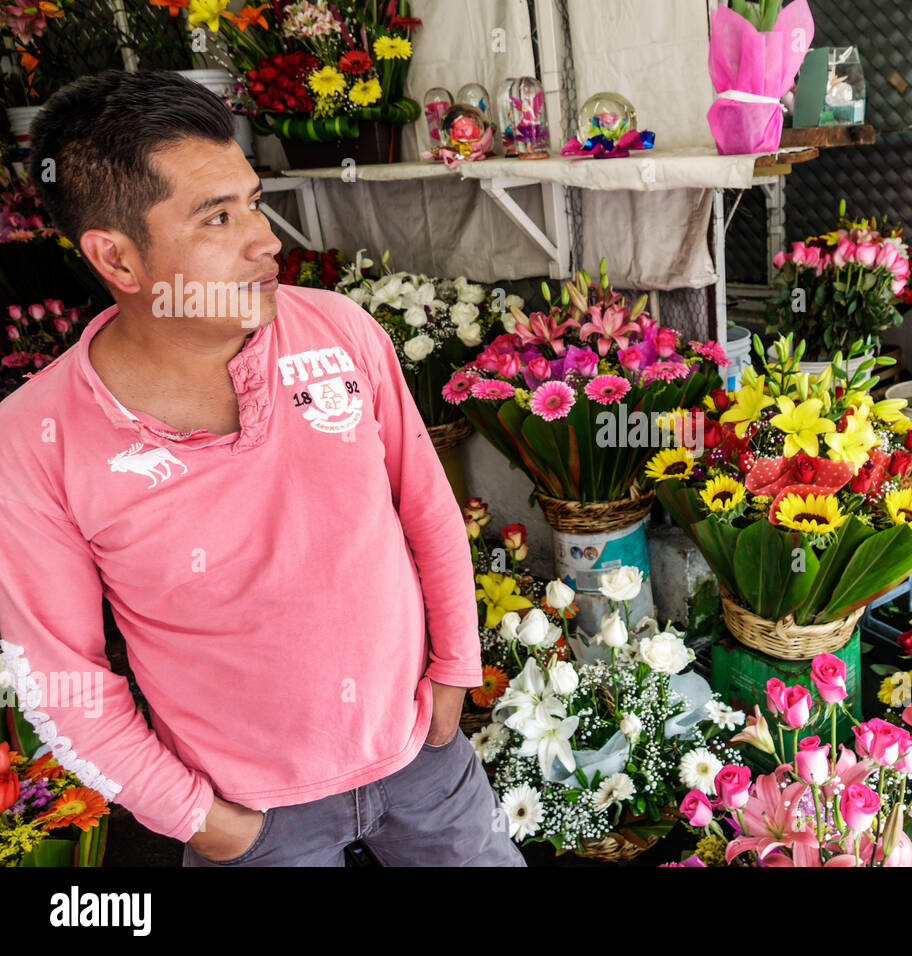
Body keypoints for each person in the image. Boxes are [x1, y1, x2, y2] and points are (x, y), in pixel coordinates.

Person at [0, 70, 523, 866]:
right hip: (249, 817)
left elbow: (426, 509)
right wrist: (203, 820)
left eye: (252, 200)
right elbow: (61, 678)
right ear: (118, 258)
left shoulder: (340, 333)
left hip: (424, 754)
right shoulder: (34, 437)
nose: (266, 239)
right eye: (217, 216)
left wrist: (454, 671)